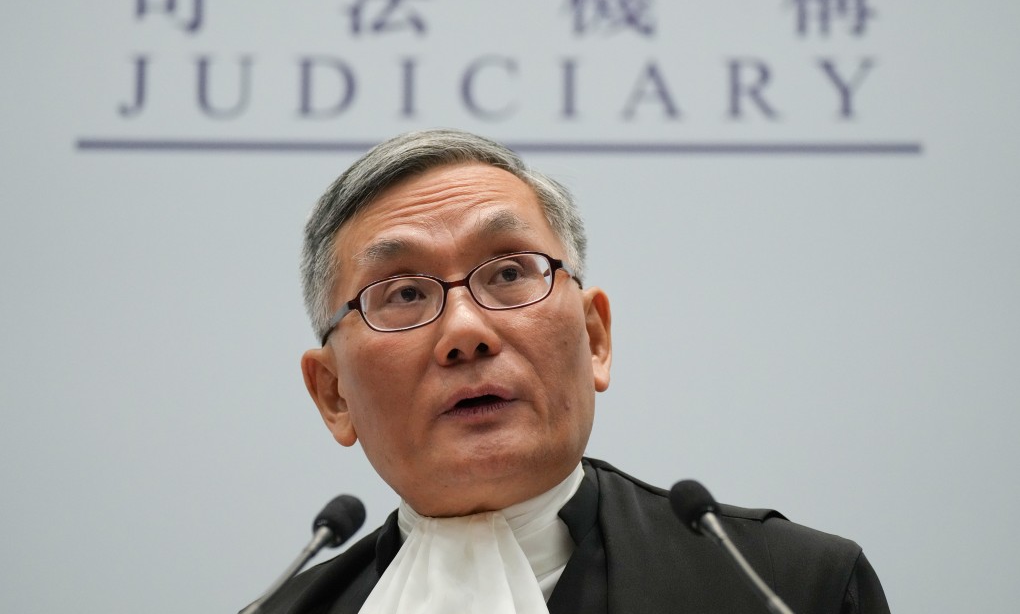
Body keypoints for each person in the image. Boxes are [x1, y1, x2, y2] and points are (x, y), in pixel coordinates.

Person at [263, 129, 890, 613]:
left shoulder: (792, 586)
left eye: (509, 273)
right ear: (333, 395)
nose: (465, 332)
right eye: (403, 293)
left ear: (594, 338)